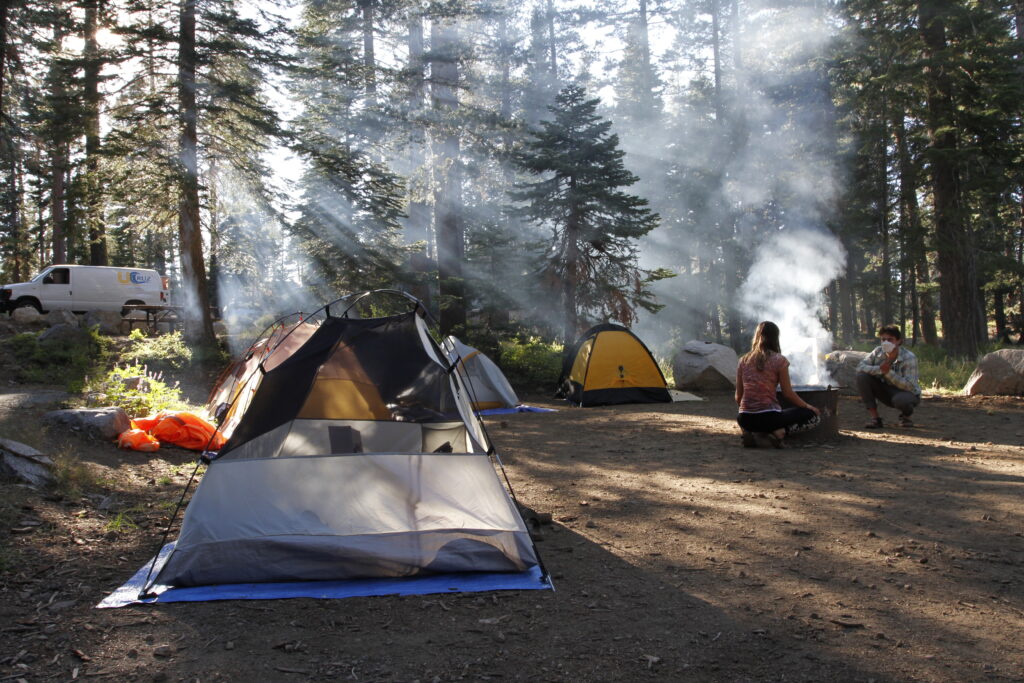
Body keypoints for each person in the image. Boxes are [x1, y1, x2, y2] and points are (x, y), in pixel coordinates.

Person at [735, 321, 821, 448]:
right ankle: (780, 433)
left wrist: (749, 411)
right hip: (770, 418)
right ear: (776, 338)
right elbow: (787, 393)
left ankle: (753, 433)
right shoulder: (779, 360)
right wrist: (808, 406)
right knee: (813, 417)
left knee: (760, 419)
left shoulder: (743, 360)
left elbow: (738, 397)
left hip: (744, 418)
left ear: (757, 336)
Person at [856, 325, 920, 428]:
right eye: (883, 339)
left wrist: (888, 373)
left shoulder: (909, 357)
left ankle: (906, 416)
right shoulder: (877, 352)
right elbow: (860, 367)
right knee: (862, 377)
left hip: (905, 393)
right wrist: (880, 370)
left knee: (902, 401)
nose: (886, 342)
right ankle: (875, 419)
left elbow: (909, 385)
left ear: (898, 341)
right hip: (884, 390)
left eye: (890, 340)